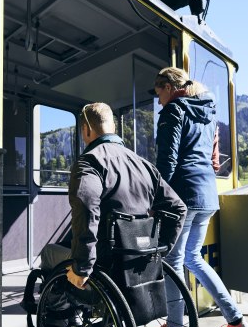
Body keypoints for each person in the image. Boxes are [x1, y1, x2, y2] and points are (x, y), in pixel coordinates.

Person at [143, 67, 248, 327]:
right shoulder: (209, 113)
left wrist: (153, 200)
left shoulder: (174, 111)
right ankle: (236, 321)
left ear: (169, 87)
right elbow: (214, 161)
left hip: (182, 195)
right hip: (207, 195)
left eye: (159, 94)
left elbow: (167, 162)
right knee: (192, 258)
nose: (159, 102)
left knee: (172, 261)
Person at [40, 101, 186, 294]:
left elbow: (86, 208)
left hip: (106, 262)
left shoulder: (89, 162)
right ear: (114, 127)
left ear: (86, 130)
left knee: (50, 252)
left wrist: (82, 267)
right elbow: (178, 208)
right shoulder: (144, 165)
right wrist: (158, 250)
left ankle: (60, 317)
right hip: (138, 257)